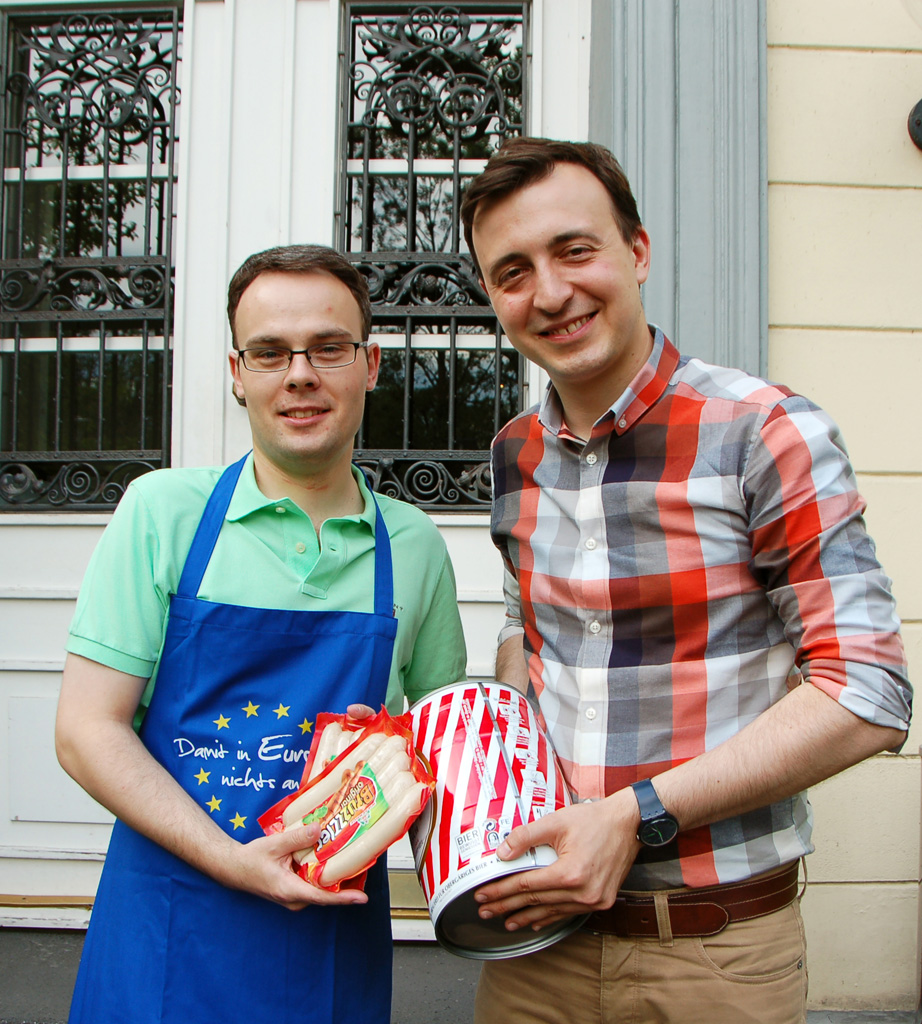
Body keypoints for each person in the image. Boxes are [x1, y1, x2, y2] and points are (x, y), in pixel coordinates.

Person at [459, 138, 912, 1023]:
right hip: (535, 947)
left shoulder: (762, 432)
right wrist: (501, 789)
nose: (549, 293)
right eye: (513, 271)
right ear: (492, 296)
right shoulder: (514, 453)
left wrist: (633, 814)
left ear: (637, 251)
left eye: (575, 251)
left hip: (712, 952)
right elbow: (530, 629)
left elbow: (868, 693)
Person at [55, 244, 467, 1024]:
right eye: (271, 352)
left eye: (328, 348)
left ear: (371, 364)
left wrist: (408, 763)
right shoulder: (164, 514)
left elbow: (439, 752)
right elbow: (84, 731)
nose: (300, 374)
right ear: (239, 372)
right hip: (166, 933)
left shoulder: (413, 547)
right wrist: (234, 863)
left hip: (328, 946)